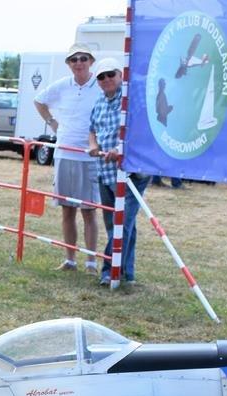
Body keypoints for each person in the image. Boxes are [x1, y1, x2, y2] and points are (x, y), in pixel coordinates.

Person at [34, 43, 102, 274]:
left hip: (89, 156)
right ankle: (70, 259)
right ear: (68, 64)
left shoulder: (99, 85)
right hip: (64, 152)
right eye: (74, 59)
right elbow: (39, 101)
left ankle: (91, 262)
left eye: (83, 58)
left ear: (91, 61)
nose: (79, 63)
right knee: (67, 209)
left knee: (89, 210)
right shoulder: (62, 85)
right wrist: (53, 124)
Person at [87, 57, 149, 286]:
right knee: (118, 225)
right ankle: (127, 273)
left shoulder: (132, 96)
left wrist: (120, 149)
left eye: (110, 74)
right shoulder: (99, 102)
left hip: (130, 173)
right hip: (105, 171)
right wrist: (93, 145)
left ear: (121, 75)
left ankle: (108, 271)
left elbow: (142, 128)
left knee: (121, 224)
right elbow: (92, 129)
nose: (106, 79)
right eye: (101, 77)